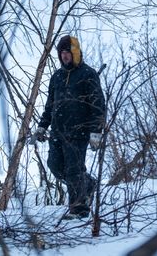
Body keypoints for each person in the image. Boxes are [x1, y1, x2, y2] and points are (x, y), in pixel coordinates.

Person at [33, 35, 106, 219]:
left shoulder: (88, 74)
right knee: (55, 166)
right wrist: (42, 127)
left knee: (74, 171)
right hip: (57, 132)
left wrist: (96, 132)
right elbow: (50, 105)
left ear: (75, 52)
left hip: (79, 132)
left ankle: (78, 209)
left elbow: (98, 106)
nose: (64, 56)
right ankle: (88, 184)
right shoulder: (57, 77)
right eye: (61, 53)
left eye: (67, 52)